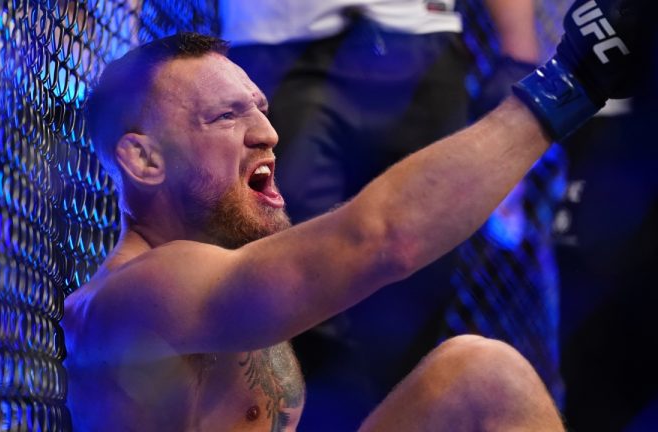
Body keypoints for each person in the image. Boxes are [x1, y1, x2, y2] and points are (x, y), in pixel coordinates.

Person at [63, 0, 633, 429]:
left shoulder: (221, 270)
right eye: (224, 117)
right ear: (143, 158)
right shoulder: (137, 295)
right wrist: (570, 83)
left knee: (479, 374)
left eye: (260, 109)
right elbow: (379, 238)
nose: (267, 133)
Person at [220, 3, 550, 427]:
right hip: (279, 39)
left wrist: (518, 53)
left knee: (417, 292)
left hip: (421, 36)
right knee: (301, 277)